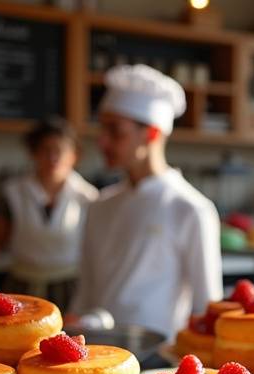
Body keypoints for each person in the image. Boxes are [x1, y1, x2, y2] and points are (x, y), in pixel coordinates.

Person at [70, 64, 222, 338]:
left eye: (116, 131)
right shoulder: (99, 205)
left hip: (160, 364)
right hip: (98, 355)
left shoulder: (190, 209)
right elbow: (85, 295)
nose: (102, 142)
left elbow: (207, 310)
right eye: (102, 130)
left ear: (151, 133)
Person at [0, 117, 98, 310]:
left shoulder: (88, 196)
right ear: (33, 153)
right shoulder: (11, 192)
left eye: (59, 150)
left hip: (70, 290)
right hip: (22, 287)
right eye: (46, 150)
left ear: (74, 155)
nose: (53, 157)